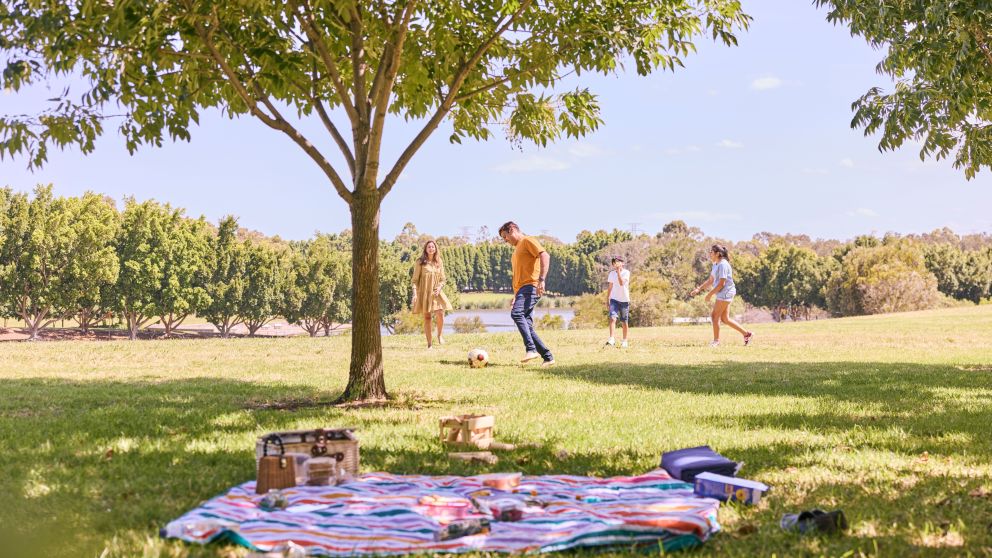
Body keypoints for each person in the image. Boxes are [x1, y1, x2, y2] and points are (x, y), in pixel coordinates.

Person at [498, 221, 555, 366]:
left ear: (512, 230)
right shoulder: (517, 250)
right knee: (527, 326)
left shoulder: (527, 241)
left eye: (505, 236)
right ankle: (548, 357)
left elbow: (545, 255)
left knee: (517, 314)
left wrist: (541, 280)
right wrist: (515, 296)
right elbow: (519, 275)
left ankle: (531, 349)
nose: (505, 240)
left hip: (531, 286)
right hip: (522, 290)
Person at [690, 244, 753, 347]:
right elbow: (711, 280)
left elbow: (721, 283)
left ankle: (716, 341)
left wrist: (709, 295)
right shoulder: (715, 264)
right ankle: (747, 334)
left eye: (711, 252)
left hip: (726, 292)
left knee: (714, 316)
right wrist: (698, 289)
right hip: (723, 292)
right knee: (724, 319)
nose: (710, 254)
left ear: (718, 254)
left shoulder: (723, 264)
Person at [411, 240, 452, 349]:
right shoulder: (420, 262)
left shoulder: (439, 262)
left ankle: (439, 335)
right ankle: (429, 344)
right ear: (425, 249)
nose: (431, 248)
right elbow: (414, 280)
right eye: (429, 247)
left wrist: (439, 287)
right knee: (427, 317)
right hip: (424, 293)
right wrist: (415, 294)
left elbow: (443, 279)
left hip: (436, 292)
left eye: (432, 247)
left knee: (440, 313)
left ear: (435, 249)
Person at [605, 256, 630, 348]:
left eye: (619, 262)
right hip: (614, 299)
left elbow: (621, 283)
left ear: (622, 263)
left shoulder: (626, 273)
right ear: (613, 264)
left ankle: (625, 340)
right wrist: (607, 299)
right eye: (615, 262)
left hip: (624, 300)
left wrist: (619, 271)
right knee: (612, 318)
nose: (616, 263)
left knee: (624, 321)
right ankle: (611, 339)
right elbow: (610, 287)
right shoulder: (611, 274)